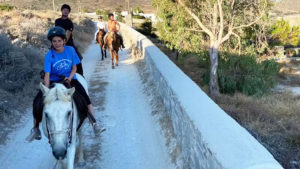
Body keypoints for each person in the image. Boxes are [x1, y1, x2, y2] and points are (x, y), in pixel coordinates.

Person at [26, 26, 99, 142]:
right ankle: (35, 129)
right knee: (37, 101)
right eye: (54, 41)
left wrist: (69, 79)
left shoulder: (70, 50)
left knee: (84, 96)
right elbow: (47, 74)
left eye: (59, 41)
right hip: (54, 80)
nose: (57, 43)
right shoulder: (49, 55)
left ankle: (94, 123)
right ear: (51, 42)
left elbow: (75, 68)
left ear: (64, 41)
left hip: (70, 78)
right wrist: (46, 88)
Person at [55, 4, 84, 76]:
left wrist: (63, 43)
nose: (65, 11)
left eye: (67, 10)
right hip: (57, 41)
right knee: (51, 54)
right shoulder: (57, 21)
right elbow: (56, 31)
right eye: (64, 10)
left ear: (68, 12)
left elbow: (68, 33)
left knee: (77, 57)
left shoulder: (69, 22)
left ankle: (81, 74)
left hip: (68, 42)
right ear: (61, 11)